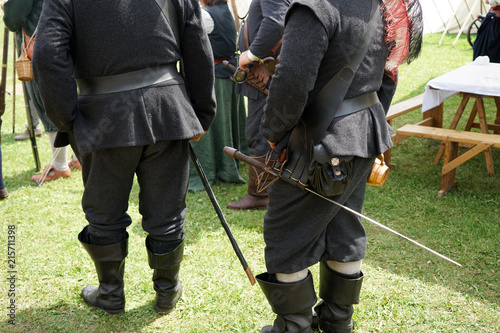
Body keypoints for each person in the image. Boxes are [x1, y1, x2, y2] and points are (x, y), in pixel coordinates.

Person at [33, 0, 215, 316]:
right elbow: (198, 44)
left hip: (101, 117)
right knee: (167, 209)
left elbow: (48, 56)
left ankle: (111, 294)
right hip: (166, 111)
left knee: (105, 212)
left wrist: (67, 120)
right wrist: (200, 113)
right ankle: (166, 292)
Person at [254, 0, 423, 332]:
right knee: (343, 229)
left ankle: (295, 326)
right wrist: (365, 127)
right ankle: (336, 322)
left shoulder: (314, 7)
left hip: (319, 144)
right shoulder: (380, 6)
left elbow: (291, 83)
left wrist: (274, 134)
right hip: (363, 134)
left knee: (286, 235)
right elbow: (388, 78)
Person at [2, 0, 79, 182]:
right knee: (71, 100)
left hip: (41, 48)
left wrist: (7, 6)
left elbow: (13, 19)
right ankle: (77, 158)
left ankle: (59, 166)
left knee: (47, 103)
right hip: (68, 44)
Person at [226, 0, 291, 210]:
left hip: (266, 71)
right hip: (263, 72)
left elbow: (275, 22)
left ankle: (259, 194)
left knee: (260, 133)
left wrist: (252, 54)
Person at [188, 0, 248, 191]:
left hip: (217, 75)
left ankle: (215, 168)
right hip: (229, 72)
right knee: (225, 123)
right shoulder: (225, 10)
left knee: (213, 122)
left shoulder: (206, 15)